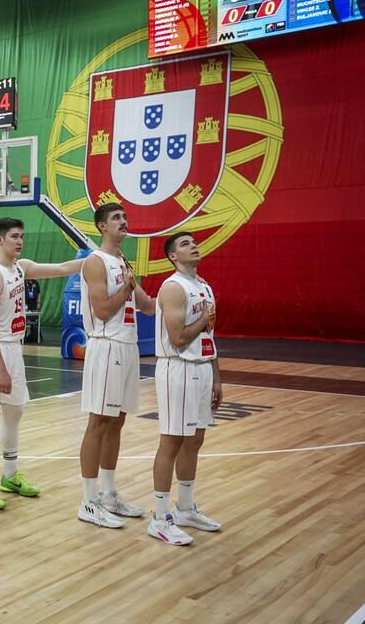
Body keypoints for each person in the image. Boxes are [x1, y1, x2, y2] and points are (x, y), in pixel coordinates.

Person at [0, 217, 85, 510]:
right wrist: (0, 369)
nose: (19, 241)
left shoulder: (22, 267)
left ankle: (9, 475)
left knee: (15, 411)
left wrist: (94, 261)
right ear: (0, 239)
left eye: (21, 236)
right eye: (14, 236)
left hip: (13, 348)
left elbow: (61, 268)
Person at [76, 203, 156, 527]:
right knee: (98, 422)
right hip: (106, 346)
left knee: (117, 422)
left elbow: (147, 305)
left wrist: (179, 296)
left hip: (128, 346)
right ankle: (88, 501)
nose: (123, 221)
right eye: (116, 218)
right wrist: (126, 288)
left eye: (124, 217)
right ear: (102, 226)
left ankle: (109, 494)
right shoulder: (96, 262)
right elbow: (103, 310)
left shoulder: (123, 262)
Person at [149, 232, 223, 546]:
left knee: (195, 440)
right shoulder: (173, 287)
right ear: (172, 256)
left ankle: (186, 508)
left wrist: (216, 376)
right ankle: (159, 517)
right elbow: (178, 338)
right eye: (184, 244)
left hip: (202, 367)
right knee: (172, 441)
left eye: (193, 242)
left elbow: (209, 335)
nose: (193, 245)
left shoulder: (204, 286)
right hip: (177, 368)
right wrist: (203, 318)